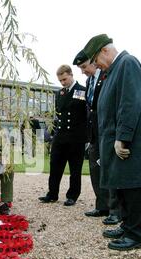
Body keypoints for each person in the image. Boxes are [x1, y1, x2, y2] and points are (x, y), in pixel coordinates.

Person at [82, 34, 141, 250]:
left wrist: (122, 137)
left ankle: (136, 235)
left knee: (134, 186)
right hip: (116, 142)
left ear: (105, 51)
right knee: (123, 185)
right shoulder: (112, 71)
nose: (96, 65)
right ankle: (127, 226)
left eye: (96, 59)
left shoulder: (128, 63)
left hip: (129, 144)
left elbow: (129, 103)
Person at [73, 50, 121, 225]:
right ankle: (102, 205)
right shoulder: (89, 81)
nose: (83, 71)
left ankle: (116, 210)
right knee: (95, 168)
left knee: (110, 169)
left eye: (84, 66)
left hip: (107, 128)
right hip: (94, 131)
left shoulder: (107, 76)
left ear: (93, 62)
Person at [39, 65, 87, 206]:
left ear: (71, 75)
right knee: (55, 167)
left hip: (75, 137)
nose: (63, 83)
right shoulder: (59, 93)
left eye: (65, 79)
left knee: (75, 170)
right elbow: (60, 114)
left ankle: (72, 195)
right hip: (60, 137)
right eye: (60, 80)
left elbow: (78, 110)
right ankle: (52, 193)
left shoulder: (81, 91)